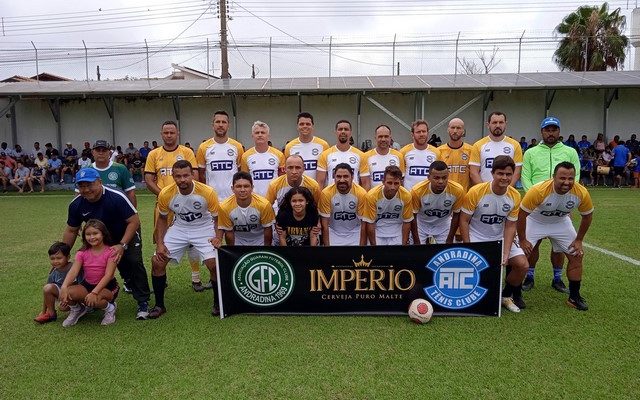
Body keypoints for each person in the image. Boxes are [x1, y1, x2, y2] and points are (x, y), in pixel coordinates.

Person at [63, 168, 150, 320]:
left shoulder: (116, 197)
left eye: (90, 184)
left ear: (100, 182)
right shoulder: (76, 204)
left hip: (125, 234)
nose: (86, 189)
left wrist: (122, 245)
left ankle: (143, 302)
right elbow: (71, 231)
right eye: (82, 186)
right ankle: (94, 296)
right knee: (117, 267)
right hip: (101, 239)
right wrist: (64, 254)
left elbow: (134, 221)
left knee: (133, 262)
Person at [517, 162, 594, 310]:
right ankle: (514, 294)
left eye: (570, 178)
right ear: (553, 177)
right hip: (535, 221)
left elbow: (587, 216)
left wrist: (579, 240)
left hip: (560, 222)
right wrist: (522, 239)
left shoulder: (581, 192)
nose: (566, 182)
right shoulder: (538, 190)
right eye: (562, 178)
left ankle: (574, 296)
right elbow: (521, 215)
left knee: (577, 255)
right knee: (520, 256)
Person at [151, 160, 220, 318]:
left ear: (192, 175)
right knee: (157, 261)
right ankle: (159, 305)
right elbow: (162, 219)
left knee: (213, 264)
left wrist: (217, 238)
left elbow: (217, 219)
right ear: (173, 176)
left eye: (186, 176)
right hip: (180, 228)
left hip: (204, 227)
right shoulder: (166, 193)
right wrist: (160, 243)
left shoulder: (207, 192)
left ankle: (218, 303)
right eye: (178, 176)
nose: (182, 180)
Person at [144, 120, 208, 292]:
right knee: (161, 240)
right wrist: (165, 196)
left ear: (177, 133)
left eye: (172, 132)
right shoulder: (154, 154)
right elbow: (149, 180)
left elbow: (194, 175)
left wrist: (179, 198)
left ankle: (196, 278)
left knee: (192, 241)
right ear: (161, 134)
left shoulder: (186, 152)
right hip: (164, 204)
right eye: (166, 133)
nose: (169, 135)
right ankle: (161, 278)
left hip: (186, 204)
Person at [459, 155, 528, 313]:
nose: (504, 177)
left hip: (500, 237)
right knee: (480, 271)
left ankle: (505, 296)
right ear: (492, 173)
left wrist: (505, 252)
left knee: (522, 265)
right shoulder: (477, 191)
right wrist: (469, 247)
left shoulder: (515, 196)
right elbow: (464, 221)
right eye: (500, 173)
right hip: (478, 236)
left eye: (508, 174)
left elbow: (510, 225)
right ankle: (477, 297)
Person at [520, 117, 581, 293]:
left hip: (561, 205)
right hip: (536, 206)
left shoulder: (570, 151)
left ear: (559, 131)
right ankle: (529, 276)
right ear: (541, 131)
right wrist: (537, 199)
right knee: (532, 245)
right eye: (547, 129)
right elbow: (526, 177)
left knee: (560, 246)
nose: (551, 133)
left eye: (554, 129)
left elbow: (574, 177)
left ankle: (557, 278)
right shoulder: (531, 152)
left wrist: (563, 199)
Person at [59, 220, 119, 327]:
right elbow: (73, 271)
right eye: (88, 234)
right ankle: (77, 309)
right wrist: (64, 287)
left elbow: (108, 275)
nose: (91, 237)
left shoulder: (111, 252)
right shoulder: (82, 252)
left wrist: (94, 293)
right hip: (88, 285)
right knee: (68, 293)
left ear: (103, 234)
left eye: (95, 233)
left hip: (107, 287)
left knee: (94, 301)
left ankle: (110, 308)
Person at [411, 161, 465, 244]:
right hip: (421, 224)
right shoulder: (417, 191)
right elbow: (413, 216)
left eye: (444, 178)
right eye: (436, 178)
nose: (440, 181)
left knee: (447, 253)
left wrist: (450, 238)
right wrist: (416, 241)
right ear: (428, 177)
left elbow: (456, 214)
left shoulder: (458, 190)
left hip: (444, 224)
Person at [216, 172, 275, 246]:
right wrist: (232, 252)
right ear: (232, 189)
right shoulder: (224, 207)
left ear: (252, 188)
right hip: (238, 241)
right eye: (238, 186)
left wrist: (266, 249)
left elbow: (268, 229)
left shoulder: (264, 204)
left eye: (246, 186)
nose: (242, 190)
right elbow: (229, 232)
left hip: (260, 240)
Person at [196, 110, 244, 200]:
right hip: (212, 199)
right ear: (213, 125)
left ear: (228, 125)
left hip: (233, 198)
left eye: (224, 122)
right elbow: (201, 175)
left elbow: (240, 172)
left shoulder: (237, 146)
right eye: (217, 122)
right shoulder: (203, 147)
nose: (221, 125)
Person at [319, 163, 367, 246]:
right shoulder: (326, 193)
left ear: (352, 177)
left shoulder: (361, 193)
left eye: (345, 176)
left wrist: (361, 248)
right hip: (333, 232)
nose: (342, 180)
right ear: (334, 177)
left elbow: (364, 224)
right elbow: (325, 225)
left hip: (355, 232)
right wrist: (327, 249)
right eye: (338, 176)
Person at [362, 165, 413, 245]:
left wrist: (403, 244)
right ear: (383, 182)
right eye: (389, 183)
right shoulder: (371, 196)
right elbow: (370, 223)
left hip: (397, 233)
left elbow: (407, 222)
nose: (392, 187)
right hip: (378, 232)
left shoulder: (406, 196)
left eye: (396, 183)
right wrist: (373, 246)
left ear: (401, 183)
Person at [469, 112, 522, 187]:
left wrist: (507, 190)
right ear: (488, 125)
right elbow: (473, 173)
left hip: (506, 193)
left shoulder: (515, 145)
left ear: (505, 124)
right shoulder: (478, 145)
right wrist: (484, 190)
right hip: (485, 193)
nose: (498, 125)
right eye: (494, 122)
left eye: (501, 122)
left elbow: (517, 173)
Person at [317, 119, 370, 190]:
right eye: (340, 129)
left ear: (350, 133)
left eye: (346, 129)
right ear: (336, 132)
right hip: (331, 198)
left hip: (354, 197)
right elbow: (320, 182)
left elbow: (365, 183)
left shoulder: (361, 155)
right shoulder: (325, 155)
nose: (343, 131)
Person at [33, 242, 75, 324]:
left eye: (59, 258)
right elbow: (46, 293)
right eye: (52, 258)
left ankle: (84, 308)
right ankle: (51, 314)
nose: (55, 261)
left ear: (68, 257)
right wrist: (43, 311)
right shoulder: (54, 272)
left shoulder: (74, 268)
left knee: (65, 305)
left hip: (75, 295)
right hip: (63, 297)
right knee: (47, 287)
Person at [240, 120, 285, 197]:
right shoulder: (245, 156)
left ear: (268, 136)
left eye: (263, 132)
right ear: (252, 136)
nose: (260, 135)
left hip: (274, 201)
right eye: (257, 133)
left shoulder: (279, 155)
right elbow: (244, 180)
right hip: (254, 200)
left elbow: (282, 180)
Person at [284, 112, 329, 180]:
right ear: (297, 126)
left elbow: (327, 170)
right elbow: (288, 170)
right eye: (301, 124)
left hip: (317, 188)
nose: (305, 126)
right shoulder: (289, 147)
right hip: (298, 189)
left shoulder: (323, 145)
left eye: (308, 124)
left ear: (312, 126)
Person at [90, 140, 137, 207]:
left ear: (109, 153)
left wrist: (133, 213)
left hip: (117, 212)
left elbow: (130, 192)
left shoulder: (121, 168)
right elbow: (79, 194)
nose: (101, 153)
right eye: (98, 150)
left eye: (104, 150)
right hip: (93, 213)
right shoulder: (86, 170)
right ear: (92, 152)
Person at [400, 119, 441, 190]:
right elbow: (400, 177)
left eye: (424, 131)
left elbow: (439, 175)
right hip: (410, 196)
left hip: (428, 196)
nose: (421, 134)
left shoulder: (436, 152)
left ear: (428, 133)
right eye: (418, 132)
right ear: (412, 134)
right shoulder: (403, 152)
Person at [361, 124, 405, 189]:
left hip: (393, 197)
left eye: (386, 136)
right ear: (375, 137)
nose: (383, 139)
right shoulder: (366, 156)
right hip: (374, 198)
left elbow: (401, 182)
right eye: (380, 136)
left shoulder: (398, 156)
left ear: (390, 138)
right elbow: (365, 184)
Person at [438, 118, 473, 192]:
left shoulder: (471, 150)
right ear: (448, 130)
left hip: (464, 197)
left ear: (463, 131)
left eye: (458, 128)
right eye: (452, 128)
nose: (455, 131)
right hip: (445, 195)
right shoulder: (439, 151)